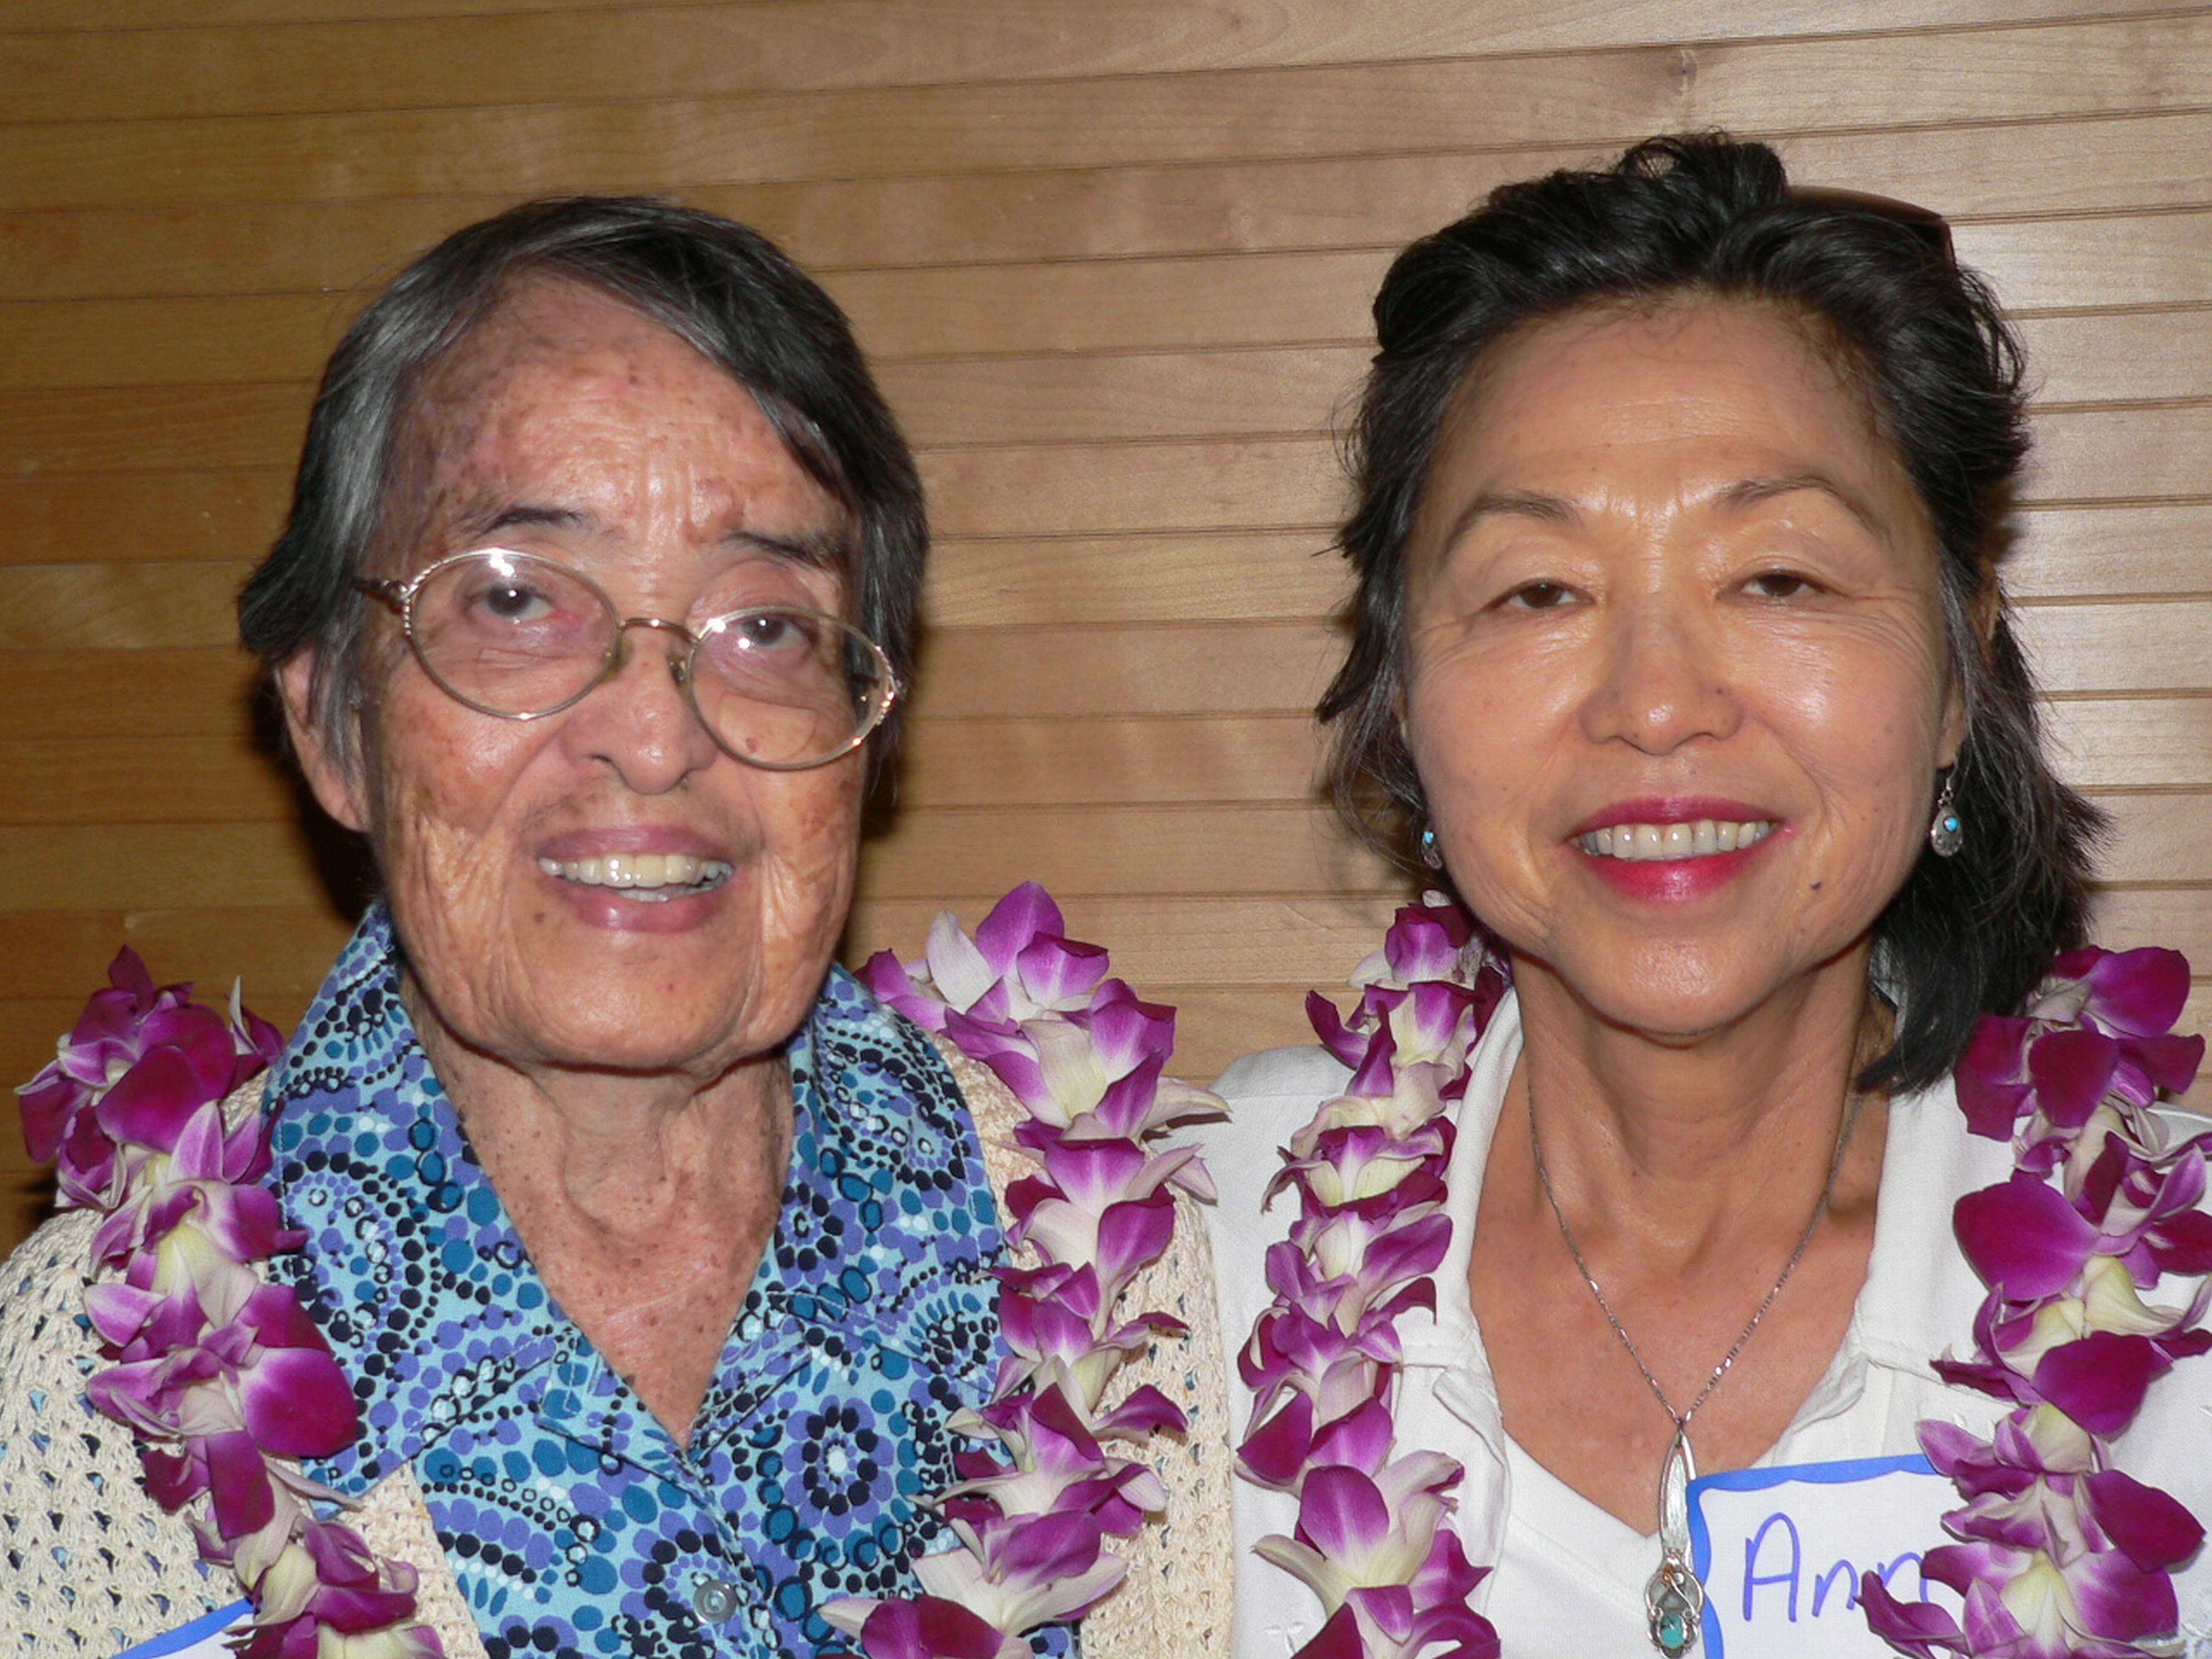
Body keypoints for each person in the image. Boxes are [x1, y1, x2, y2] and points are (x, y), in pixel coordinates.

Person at [0, 197, 1229, 1659]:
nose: (654, 737)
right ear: (332, 724)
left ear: (865, 737)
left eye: (767, 625)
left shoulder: (1134, 1273)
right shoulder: (80, 1378)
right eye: (518, 600)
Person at [1201, 136, 2212, 1659]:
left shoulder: (2178, 1285)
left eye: (1780, 581)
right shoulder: (1194, 1254)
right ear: (1402, 696)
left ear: (1955, 679)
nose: (1657, 705)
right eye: (1538, 591)